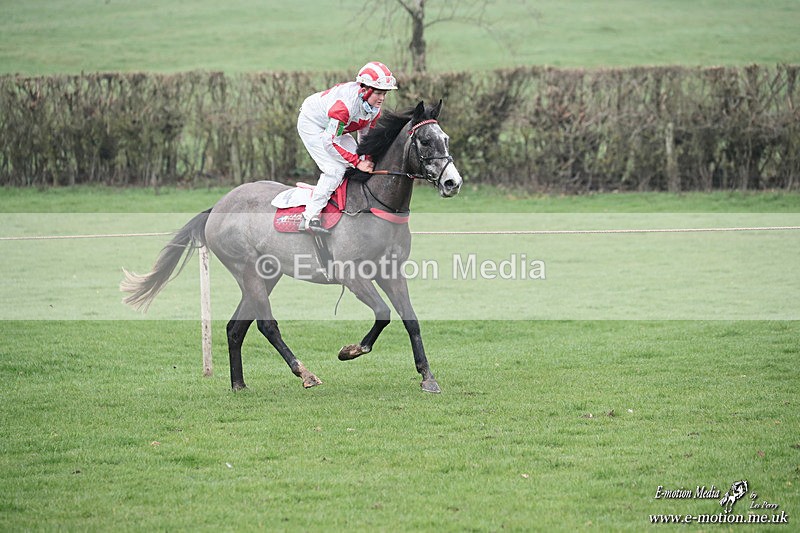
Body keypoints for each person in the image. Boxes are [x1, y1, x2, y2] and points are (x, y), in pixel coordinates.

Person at [296, 61, 398, 234]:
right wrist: (357, 163)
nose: (382, 98)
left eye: (385, 94)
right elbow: (329, 142)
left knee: (356, 161)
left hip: (333, 128)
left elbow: (364, 137)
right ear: (365, 90)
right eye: (379, 93)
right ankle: (309, 217)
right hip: (312, 124)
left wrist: (366, 159)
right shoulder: (344, 107)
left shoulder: (374, 108)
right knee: (334, 169)